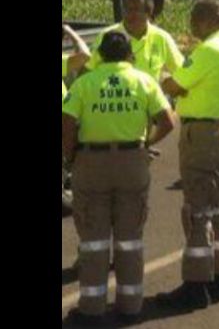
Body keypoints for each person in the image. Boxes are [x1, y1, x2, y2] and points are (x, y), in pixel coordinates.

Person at [62, 31, 175, 326]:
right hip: (132, 162)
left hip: (92, 163)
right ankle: (130, 305)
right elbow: (167, 120)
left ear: (100, 55)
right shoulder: (143, 81)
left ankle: (92, 310)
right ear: (129, 55)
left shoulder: (85, 83)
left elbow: (67, 123)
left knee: (94, 241)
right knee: (130, 239)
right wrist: (146, 144)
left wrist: (71, 157)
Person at [157, 0, 219, 309]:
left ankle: (195, 286)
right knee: (213, 207)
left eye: (197, 18)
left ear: (214, 19)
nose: (192, 24)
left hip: (203, 134)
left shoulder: (208, 50)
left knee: (196, 210)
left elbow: (175, 85)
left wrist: (164, 80)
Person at [87, 0, 184, 81]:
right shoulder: (107, 36)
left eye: (136, 10)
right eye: (127, 9)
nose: (130, 15)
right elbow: (88, 70)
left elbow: (181, 72)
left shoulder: (161, 38)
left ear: (148, 13)